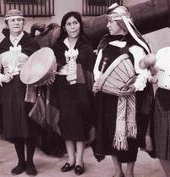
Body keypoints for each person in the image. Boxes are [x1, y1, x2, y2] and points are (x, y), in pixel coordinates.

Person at [93, 3, 153, 177]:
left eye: (111, 21)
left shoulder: (136, 47)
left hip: (129, 100)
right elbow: (98, 70)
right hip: (107, 98)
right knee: (110, 134)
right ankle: (117, 171)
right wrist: (99, 82)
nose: (107, 25)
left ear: (122, 23)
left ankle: (129, 171)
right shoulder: (104, 44)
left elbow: (143, 74)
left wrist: (134, 86)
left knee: (129, 137)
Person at [0, 9, 41, 176]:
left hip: (28, 88)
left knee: (30, 124)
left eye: (20, 20)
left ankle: (31, 163)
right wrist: (1, 77)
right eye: (13, 20)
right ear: (7, 24)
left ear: (23, 23)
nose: (16, 23)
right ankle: (21, 162)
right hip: (10, 90)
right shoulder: (1, 47)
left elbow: (41, 65)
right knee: (14, 124)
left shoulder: (31, 44)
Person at [52, 11, 96, 175]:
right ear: (64, 27)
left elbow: (90, 71)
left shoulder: (86, 46)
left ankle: (79, 160)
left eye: (75, 23)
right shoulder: (57, 46)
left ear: (80, 25)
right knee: (66, 123)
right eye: (69, 24)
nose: (72, 27)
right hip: (62, 88)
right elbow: (52, 66)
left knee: (79, 123)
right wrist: (59, 65)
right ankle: (70, 159)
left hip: (80, 90)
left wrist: (76, 66)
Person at [149, 47, 170, 177]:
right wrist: (152, 72)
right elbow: (153, 78)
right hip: (163, 99)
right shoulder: (163, 52)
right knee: (162, 145)